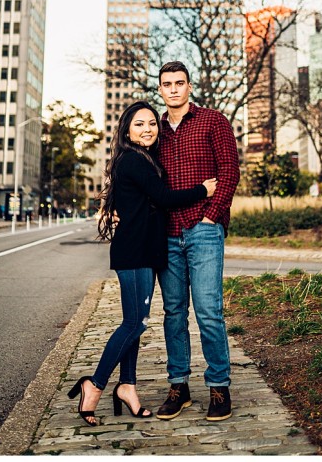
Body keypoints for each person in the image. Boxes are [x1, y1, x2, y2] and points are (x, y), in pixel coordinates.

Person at [69, 100, 217, 427]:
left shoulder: (144, 158)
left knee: (136, 322)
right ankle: (94, 384)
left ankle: (128, 388)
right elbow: (164, 197)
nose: (148, 129)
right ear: (126, 129)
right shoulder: (133, 161)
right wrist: (202, 189)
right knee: (134, 324)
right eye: (139, 124)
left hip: (145, 253)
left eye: (152, 123)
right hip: (134, 253)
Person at [154, 61, 241, 422]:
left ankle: (219, 388)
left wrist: (212, 215)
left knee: (208, 310)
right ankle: (179, 386)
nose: (173, 89)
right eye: (166, 84)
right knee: (173, 312)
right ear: (160, 89)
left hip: (203, 229)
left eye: (179, 83)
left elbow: (230, 171)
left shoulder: (213, 121)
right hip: (167, 232)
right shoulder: (153, 130)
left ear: (190, 86)